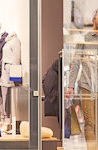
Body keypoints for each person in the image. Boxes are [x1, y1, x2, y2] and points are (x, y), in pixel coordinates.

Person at [66, 9, 98, 150]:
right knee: (90, 123)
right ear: (93, 20)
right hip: (87, 87)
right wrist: (70, 86)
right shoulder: (84, 39)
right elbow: (76, 63)